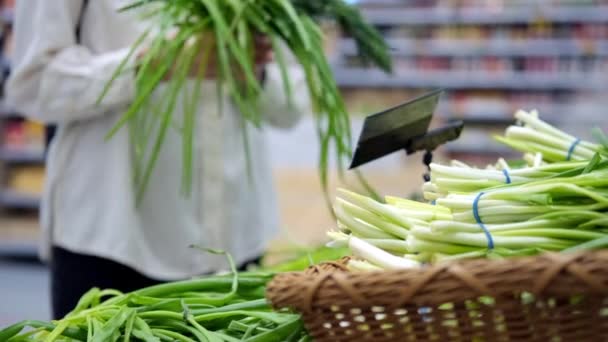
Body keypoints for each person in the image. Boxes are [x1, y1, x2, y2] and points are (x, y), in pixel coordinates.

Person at [7, 1, 310, 319]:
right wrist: (152, 64)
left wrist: (252, 71)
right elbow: (32, 84)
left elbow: (293, 100)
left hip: (234, 236)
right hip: (114, 234)